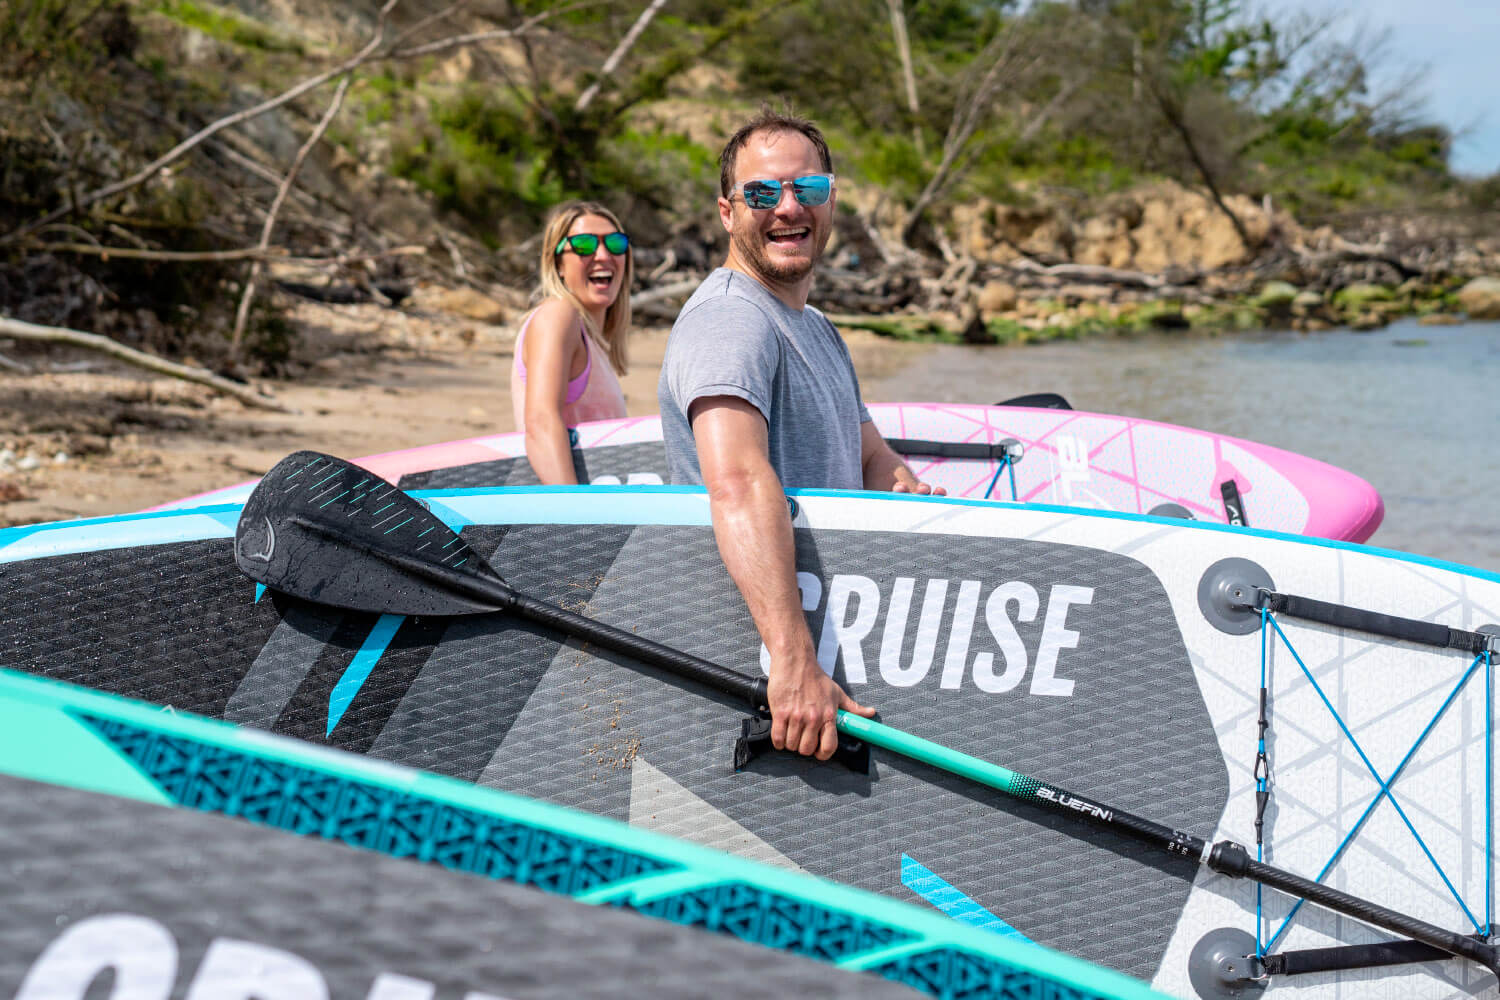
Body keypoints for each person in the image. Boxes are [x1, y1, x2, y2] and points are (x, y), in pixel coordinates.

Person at [658, 108, 944, 762]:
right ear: (728, 213)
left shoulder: (814, 326)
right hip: (763, 649)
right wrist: (790, 662)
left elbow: (868, 450)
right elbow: (734, 482)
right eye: (762, 194)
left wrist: (899, 486)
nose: (789, 208)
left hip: (831, 629)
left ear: (831, 200)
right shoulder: (730, 320)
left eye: (807, 189)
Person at [511, 201, 633, 484]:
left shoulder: (590, 339)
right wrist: (577, 514)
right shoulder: (558, 315)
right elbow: (540, 424)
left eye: (615, 243)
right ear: (557, 263)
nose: (603, 255)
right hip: (572, 516)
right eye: (583, 245)